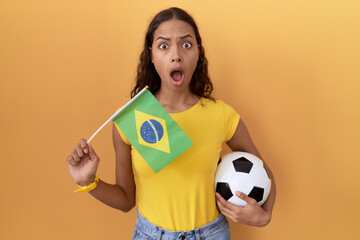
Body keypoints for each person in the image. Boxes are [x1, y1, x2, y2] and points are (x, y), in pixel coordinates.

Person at [66, 7, 276, 240]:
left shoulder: (222, 115)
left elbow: (264, 173)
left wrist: (264, 216)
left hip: (212, 234)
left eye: (186, 44)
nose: (176, 55)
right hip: (150, 235)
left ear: (198, 52)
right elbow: (126, 200)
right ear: (152, 56)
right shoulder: (132, 118)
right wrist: (89, 182)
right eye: (164, 46)